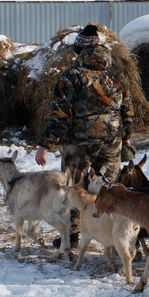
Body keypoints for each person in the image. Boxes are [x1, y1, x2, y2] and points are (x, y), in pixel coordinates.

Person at [35, 23, 134, 183]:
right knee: (107, 192)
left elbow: (61, 115)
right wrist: (127, 137)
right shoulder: (117, 75)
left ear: (79, 52)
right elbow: (127, 110)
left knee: (73, 190)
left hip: (79, 142)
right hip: (111, 140)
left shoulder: (71, 76)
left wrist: (45, 145)